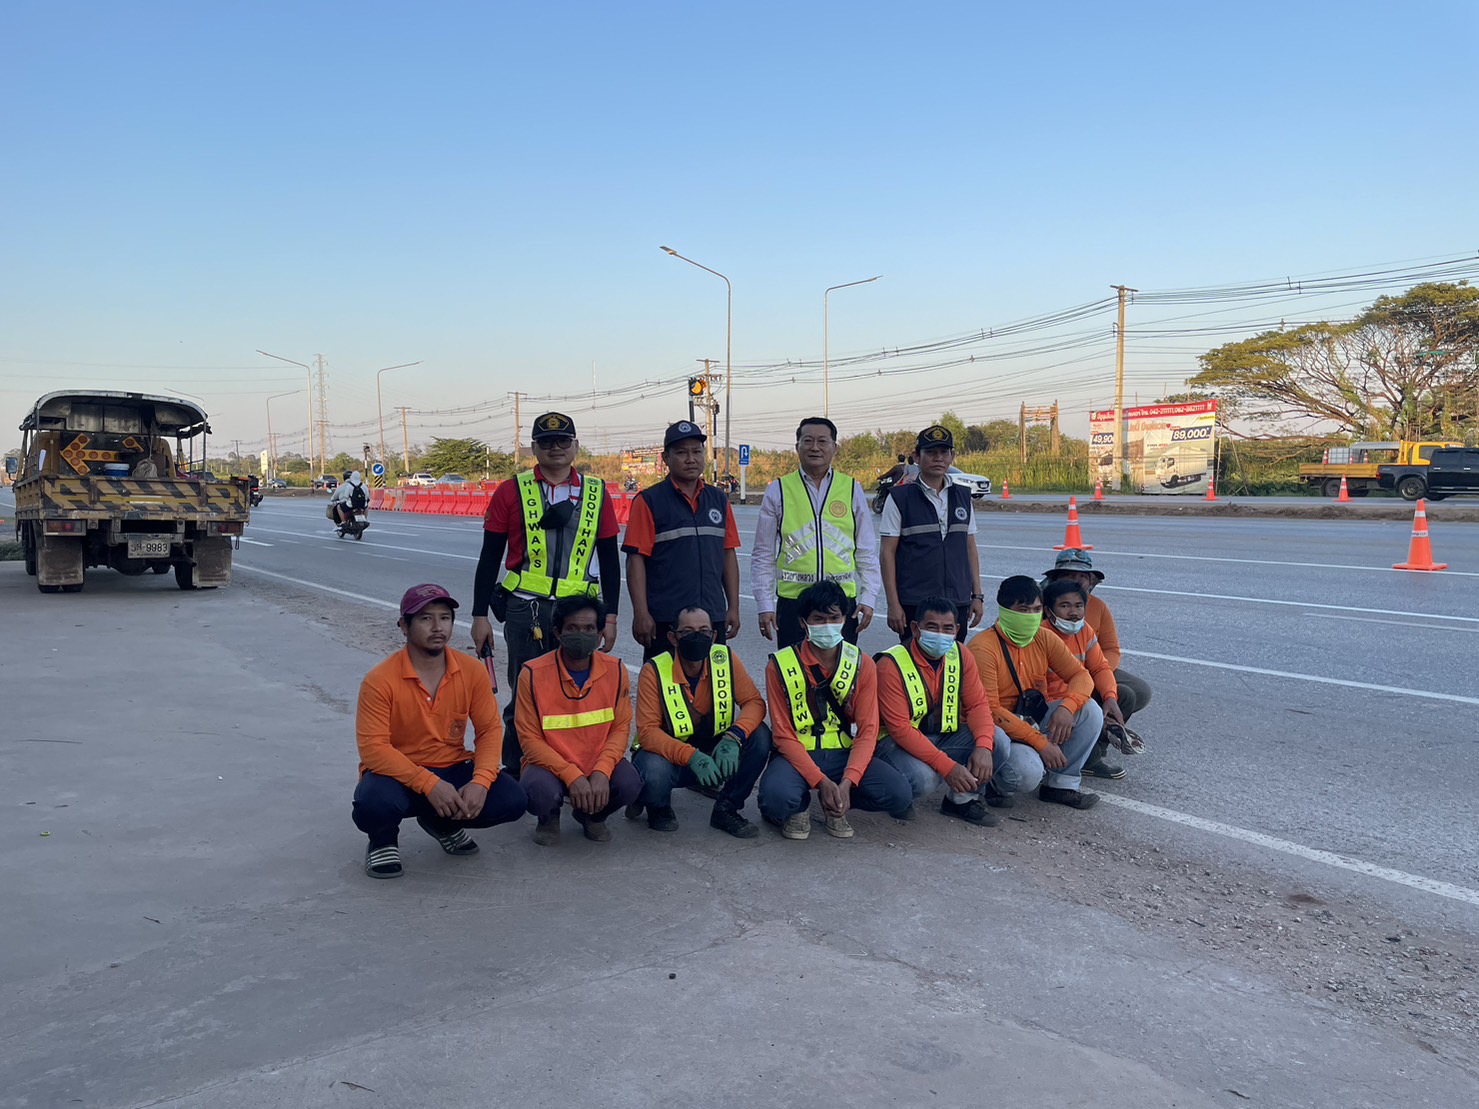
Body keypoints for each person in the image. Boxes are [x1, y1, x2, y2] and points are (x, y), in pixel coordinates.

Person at [470, 412, 623, 773]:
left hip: (579, 615)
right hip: (527, 611)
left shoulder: (596, 492)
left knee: (578, 693)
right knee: (525, 694)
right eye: (546, 442)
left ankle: (573, 769)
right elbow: (489, 556)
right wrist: (479, 616)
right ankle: (516, 771)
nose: (556, 448)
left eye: (563, 441)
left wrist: (611, 616)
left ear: (575, 446)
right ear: (534, 448)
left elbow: (609, 559)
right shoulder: (511, 490)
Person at [352, 584, 529, 879]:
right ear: (404, 626)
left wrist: (480, 782)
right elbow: (373, 749)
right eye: (425, 618)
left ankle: (442, 823)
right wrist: (430, 785)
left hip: (451, 765)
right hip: (399, 773)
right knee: (374, 803)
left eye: (445, 618)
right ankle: (382, 841)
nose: (438, 627)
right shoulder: (380, 680)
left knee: (512, 800)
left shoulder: (472, 671)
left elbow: (488, 730)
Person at [757, 581, 913, 839]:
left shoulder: (861, 663)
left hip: (842, 752)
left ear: (844, 619)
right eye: (818, 619)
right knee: (775, 800)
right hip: (796, 753)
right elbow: (782, 734)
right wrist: (821, 781)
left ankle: (837, 802)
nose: (827, 625)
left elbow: (868, 730)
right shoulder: (780, 665)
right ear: (803, 623)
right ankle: (799, 806)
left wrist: (847, 783)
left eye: (834, 618)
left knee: (899, 794)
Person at [629, 605, 773, 838]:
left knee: (760, 736)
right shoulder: (653, 670)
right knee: (653, 772)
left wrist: (734, 737)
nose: (697, 637)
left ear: (713, 636)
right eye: (687, 632)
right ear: (673, 638)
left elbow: (754, 702)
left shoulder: (725, 659)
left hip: (716, 747)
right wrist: (691, 756)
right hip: (670, 756)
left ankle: (726, 809)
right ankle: (657, 806)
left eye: (704, 631)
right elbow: (647, 732)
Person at [874, 595, 1016, 826]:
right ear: (915, 629)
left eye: (947, 628)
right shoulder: (890, 665)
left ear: (957, 630)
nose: (940, 634)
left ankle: (962, 801)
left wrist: (983, 747)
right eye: (932, 627)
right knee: (925, 779)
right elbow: (900, 730)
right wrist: (948, 767)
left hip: (941, 735)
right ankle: (897, 796)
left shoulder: (960, 654)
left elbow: (978, 705)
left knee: (996, 740)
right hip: (894, 744)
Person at [967, 576, 1103, 810]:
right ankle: (993, 783)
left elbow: (1081, 676)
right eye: (1024, 610)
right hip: (997, 729)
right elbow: (990, 710)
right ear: (1004, 610)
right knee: (1026, 774)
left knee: (1089, 710)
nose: (1031, 616)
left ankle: (1061, 785)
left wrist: (1067, 707)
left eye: (1037, 609)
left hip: (1030, 718)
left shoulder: (1043, 637)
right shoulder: (983, 648)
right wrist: (1041, 743)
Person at [515, 595, 641, 845]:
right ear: (557, 632)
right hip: (549, 766)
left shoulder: (616, 670)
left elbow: (620, 728)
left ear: (600, 634)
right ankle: (548, 817)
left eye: (589, 628)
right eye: (572, 628)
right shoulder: (532, 674)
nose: (581, 635)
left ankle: (592, 816)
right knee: (539, 791)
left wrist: (602, 771)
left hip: (596, 761)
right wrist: (571, 775)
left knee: (630, 784)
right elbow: (529, 740)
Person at [752, 416, 881, 648]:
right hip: (794, 603)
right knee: (794, 668)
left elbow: (866, 550)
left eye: (822, 441)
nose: (815, 447)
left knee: (842, 669)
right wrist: (765, 604)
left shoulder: (851, 488)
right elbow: (763, 553)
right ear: (797, 446)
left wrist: (869, 597)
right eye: (808, 441)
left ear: (835, 447)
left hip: (841, 605)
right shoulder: (778, 490)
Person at [622, 420, 742, 661]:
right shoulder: (649, 501)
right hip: (666, 619)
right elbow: (636, 560)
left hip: (711, 618)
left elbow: (728, 554)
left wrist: (733, 607)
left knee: (713, 680)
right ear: (666, 458)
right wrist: (641, 613)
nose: (691, 459)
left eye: (696, 452)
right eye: (681, 452)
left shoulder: (718, 499)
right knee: (663, 681)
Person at [1041, 549, 1153, 779]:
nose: (1073, 612)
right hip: (1052, 688)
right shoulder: (1038, 618)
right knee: (1085, 706)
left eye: (1082, 576)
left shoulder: (1092, 615)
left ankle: (1096, 746)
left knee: (1128, 694)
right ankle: (1077, 756)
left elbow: (1108, 653)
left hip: (1084, 672)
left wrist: (1105, 692)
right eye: (1069, 575)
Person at [879, 425, 984, 644]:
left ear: (952, 456)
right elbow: (887, 553)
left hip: (957, 601)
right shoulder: (899, 498)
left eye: (944, 452)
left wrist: (977, 596)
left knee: (953, 658)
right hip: (915, 602)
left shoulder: (963, 496)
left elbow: (970, 548)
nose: (938, 458)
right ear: (917, 456)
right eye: (931, 452)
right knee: (914, 658)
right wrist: (893, 604)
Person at [1041, 578, 1124, 742]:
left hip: (1075, 697)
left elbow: (1100, 668)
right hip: (1051, 704)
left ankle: (1101, 740)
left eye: (1078, 606)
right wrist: (1068, 710)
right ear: (1049, 611)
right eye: (1065, 606)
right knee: (1090, 713)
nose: (1074, 612)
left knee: (1123, 697)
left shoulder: (1084, 630)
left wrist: (1110, 697)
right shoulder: (1041, 635)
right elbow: (1038, 688)